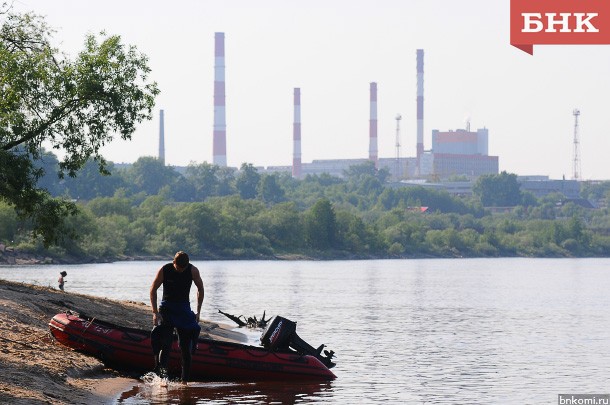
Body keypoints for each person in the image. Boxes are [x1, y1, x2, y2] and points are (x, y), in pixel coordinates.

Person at [150, 251, 204, 383]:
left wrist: (198, 311)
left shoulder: (193, 270)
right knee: (166, 344)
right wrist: (155, 312)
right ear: (174, 263)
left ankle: (184, 381)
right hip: (167, 308)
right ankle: (162, 379)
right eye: (179, 268)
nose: (181, 270)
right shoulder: (165, 269)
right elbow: (153, 289)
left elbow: (200, 289)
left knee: (185, 348)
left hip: (183, 309)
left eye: (183, 268)